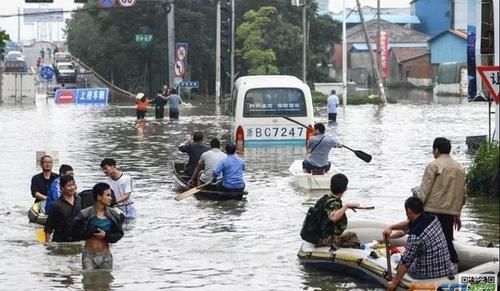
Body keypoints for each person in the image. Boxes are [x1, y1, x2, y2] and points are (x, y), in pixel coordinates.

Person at [413, 137, 466, 268]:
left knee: (428, 241)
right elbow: (463, 194)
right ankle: (455, 267)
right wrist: (457, 214)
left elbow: (424, 190)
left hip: (431, 211)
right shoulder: (460, 167)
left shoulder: (434, 165)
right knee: (447, 240)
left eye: (433, 149)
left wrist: (416, 209)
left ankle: (427, 269)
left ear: (436, 149)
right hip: (450, 212)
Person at [384, 197, 455, 291]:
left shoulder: (415, 236)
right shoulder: (433, 218)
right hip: (447, 269)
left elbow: (405, 262)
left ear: (408, 211)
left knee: (400, 263)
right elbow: (409, 224)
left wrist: (394, 283)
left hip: (427, 276)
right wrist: (391, 227)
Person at [72, 182, 124, 270]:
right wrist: (91, 232)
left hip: (106, 256)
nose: (110, 198)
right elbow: (75, 233)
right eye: (107, 195)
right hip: (88, 255)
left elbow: (119, 234)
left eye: (110, 195)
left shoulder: (114, 215)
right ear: (99, 197)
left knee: (106, 282)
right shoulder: (85, 214)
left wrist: (106, 235)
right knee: (88, 282)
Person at [315, 173, 360, 247]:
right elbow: (333, 217)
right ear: (345, 189)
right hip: (324, 239)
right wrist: (346, 206)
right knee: (352, 237)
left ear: (330, 186)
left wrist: (346, 208)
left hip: (319, 236)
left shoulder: (325, 199)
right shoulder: (333, 202)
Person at [44, 175, 81, 242]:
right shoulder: (57, 205)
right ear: (62, 188)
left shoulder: (78, 199)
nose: (72, 188)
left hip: (76, 239)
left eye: (73, 185)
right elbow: (48, 228)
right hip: (60, 241)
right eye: (69, 186)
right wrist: (47, 245)